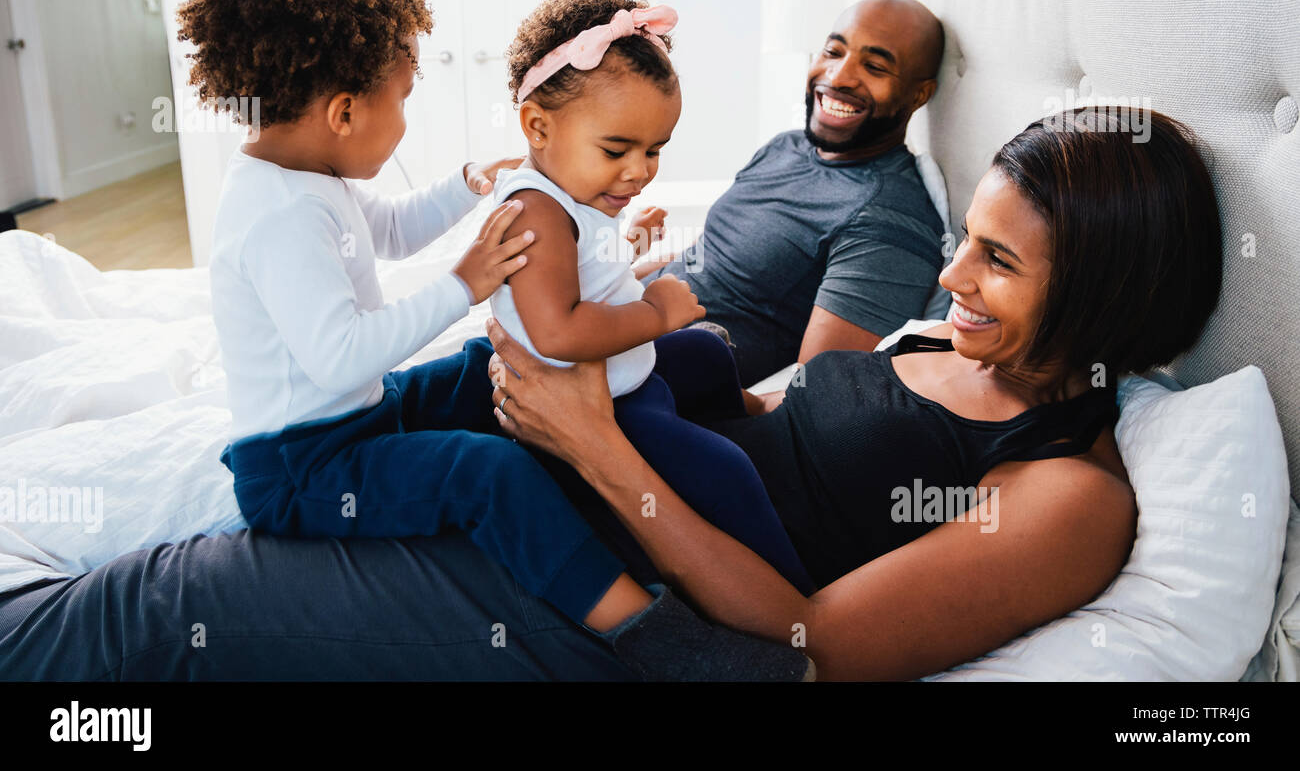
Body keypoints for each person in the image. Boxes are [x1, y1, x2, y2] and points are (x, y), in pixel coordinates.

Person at [180, 0, 811, 681]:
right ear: (344, 112)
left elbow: (387, 232)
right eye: (403, 100)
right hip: (302, 469)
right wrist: (466, 284)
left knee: (485, 365)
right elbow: (339, 353)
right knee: (488, 475)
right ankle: (651, 634)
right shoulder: (278, 217)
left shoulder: (307, 177)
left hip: (351, 416)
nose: (407, 118)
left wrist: (466, 181)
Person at [489, 106, 1223, 680]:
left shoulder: (1071, 497)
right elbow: (783, 424)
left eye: (996, 260)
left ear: (1102, 295)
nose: (951, 279)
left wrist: (594, 447)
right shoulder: (946, 338)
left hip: (598, 591)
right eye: (967, 238)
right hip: (590, 476)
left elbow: (816, 643)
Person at [488, 0, 815, 594]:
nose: (639, 170)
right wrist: (657, 310)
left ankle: (752, 415)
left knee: (711, 351)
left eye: (655, 150)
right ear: (537, 125)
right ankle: (797, 601)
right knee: (726, 472)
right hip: (595, 403)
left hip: (627, 371)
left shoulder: (573, 191)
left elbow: (585, 268)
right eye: (618, 149)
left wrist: (626, 244)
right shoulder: (534, 210)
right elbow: (559, 334)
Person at [636, 0, 950, 388]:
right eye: (833, 51)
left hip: (648, 385)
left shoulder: (887, 220)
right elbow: (709, 255)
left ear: (919, 94)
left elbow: (812, 398)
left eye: (873, 66)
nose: (838, 77)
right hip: (607, 327)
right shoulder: (787, 146)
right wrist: (606, 281)